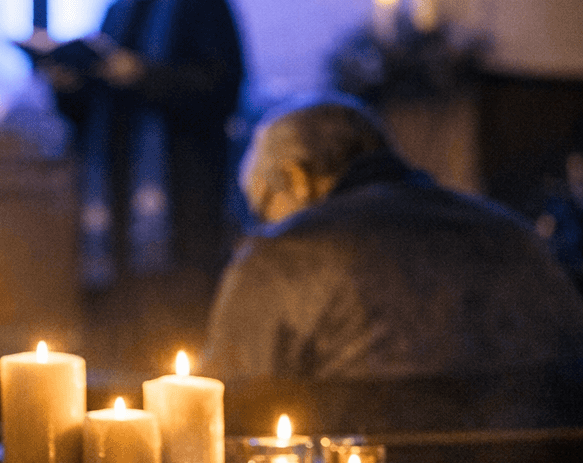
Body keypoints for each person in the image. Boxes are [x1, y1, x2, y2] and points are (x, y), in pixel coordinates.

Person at [204, 97, 583, 394]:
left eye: (263, 206)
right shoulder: (513, 232)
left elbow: (232, 406)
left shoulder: (278, 255)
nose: (265, 224)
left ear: (296, 178)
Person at [35, 0, 244, 361]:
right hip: (119, 189)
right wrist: (69, 85)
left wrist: (145, 75)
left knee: (178, 312)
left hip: (183, 187)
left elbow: (223, 87)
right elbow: (98, 103)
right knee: (128, 320)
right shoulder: (120, 7)